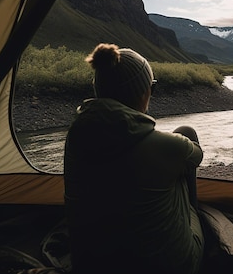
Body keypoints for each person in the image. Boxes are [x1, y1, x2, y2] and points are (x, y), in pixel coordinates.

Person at [64, 43, 204, 274]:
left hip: (90, 264)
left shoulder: (76, 136)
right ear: (142, 91)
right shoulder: (165, 146)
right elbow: (197, 155)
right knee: (186, 134)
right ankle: (193, 212)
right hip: (169, 266)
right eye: (152, 87)